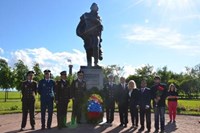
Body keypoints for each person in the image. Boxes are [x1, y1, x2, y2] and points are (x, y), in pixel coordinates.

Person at [76, 2, 103, 67]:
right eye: (94, 6)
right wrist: (81, 33)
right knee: (88, 49)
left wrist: (101, 36)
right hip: (87, 35)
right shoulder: (86, 15)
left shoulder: (98, 17)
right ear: (91, 8)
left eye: (96, 7)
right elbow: (80, 25)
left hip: (96, 34)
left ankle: (96, 63)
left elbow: (100, 28)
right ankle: (89, 64)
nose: (96, 8)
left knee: (96, 46)